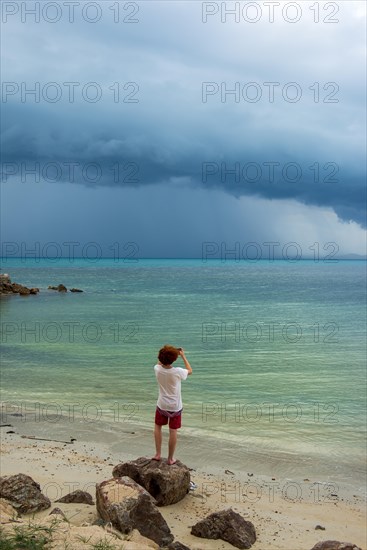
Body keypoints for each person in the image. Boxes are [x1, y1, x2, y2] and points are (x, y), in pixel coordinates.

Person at [152, 345, 192, 465]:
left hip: (162, 405)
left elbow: (160, 362)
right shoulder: (178, 371)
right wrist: (183, 356)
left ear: (160, 357)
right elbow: (190, 370)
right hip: (175, 407)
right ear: (174, 359)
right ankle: (170, 458)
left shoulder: (157, 369)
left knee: (158, 427)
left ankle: (158, 454)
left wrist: (167, 353)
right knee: (173, 431)